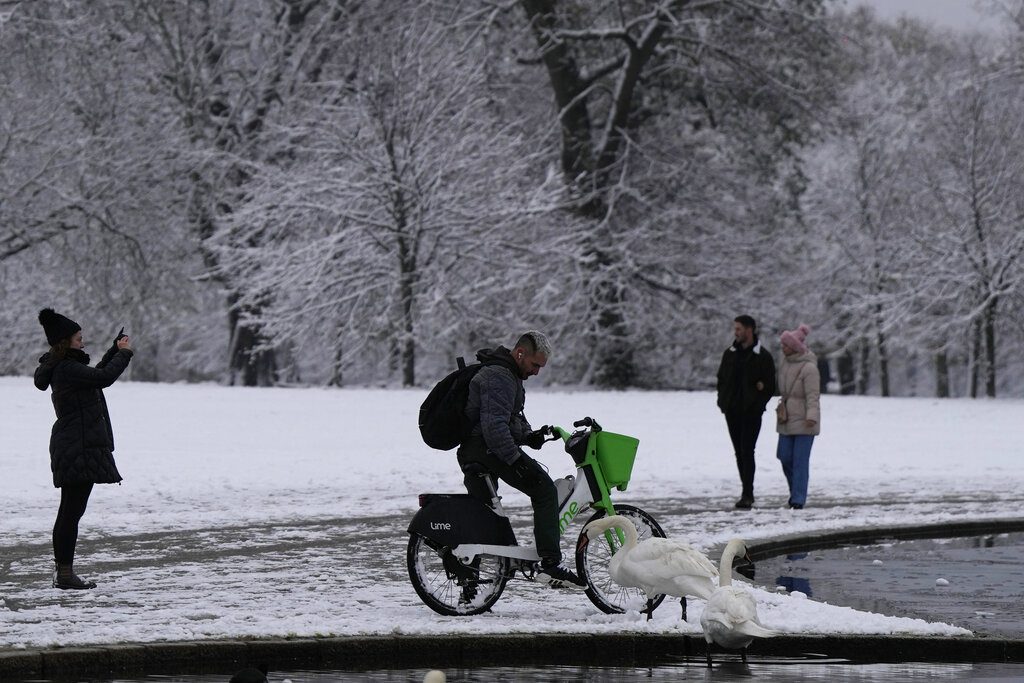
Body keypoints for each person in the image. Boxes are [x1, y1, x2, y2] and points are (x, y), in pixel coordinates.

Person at [457, 330, 584, 588]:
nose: (537, 372)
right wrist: (516, 461)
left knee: (483, 516)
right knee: (545, 490)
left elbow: (503, 419)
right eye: (535, 365)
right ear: (520, 353)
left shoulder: (505, 374)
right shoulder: (499, 377)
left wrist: (529, 436)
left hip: (475, 450)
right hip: (487, 450)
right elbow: (494, 429)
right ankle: (550, 564)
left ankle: (469, 592)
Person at [34, 308, 133, 590]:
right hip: (77, 446)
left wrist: (114, 351)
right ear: (66, 341)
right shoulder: (66, 369)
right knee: (70, 512)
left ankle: (64, 572)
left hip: (75, 444)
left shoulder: (64, 367)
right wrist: (124, 354)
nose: (82, 341)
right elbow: (103, 378)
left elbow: (96, 374)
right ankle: (64, 574)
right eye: (79, 338)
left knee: (70, 510)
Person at [716, 315, 776, 510]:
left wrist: (758, 404)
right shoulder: (730, 354)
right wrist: (723, 402)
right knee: (739, 452)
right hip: (732, 411)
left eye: (739, 328)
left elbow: (769, 386)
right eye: (735, 329)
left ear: (750, 330)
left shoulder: (763, 356)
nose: (736, 332)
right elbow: (722, 379)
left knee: (747, 451)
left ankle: (747, 494)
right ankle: (746, 491)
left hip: (751, 413)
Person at [775, 324, 821, 510]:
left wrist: (812, 416)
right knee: (784, 455)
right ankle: (795, 490)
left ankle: (798, 499)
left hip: (804, 420)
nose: (782, 348)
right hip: (786, 418)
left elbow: (813, 395)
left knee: (800, 461)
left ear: (794, 347)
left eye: (785, 345)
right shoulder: (785, 363)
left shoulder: (809, 368)